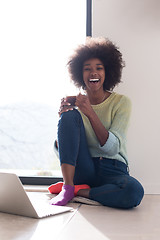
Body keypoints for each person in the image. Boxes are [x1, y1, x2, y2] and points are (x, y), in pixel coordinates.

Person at [48, 37, 144, 208]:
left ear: (107, 72)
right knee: (69, 117)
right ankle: (68, 186)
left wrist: (90, 112)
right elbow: (64, 152)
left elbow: (112, 148)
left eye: (99, 68)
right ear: (80, 74)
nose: (93, 73)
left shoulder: (121, 102)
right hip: (84, 168)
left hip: (113, 169)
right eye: (87, 69)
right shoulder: (76, 107)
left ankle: (78, 191)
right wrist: (64, 124)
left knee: (133, 191)